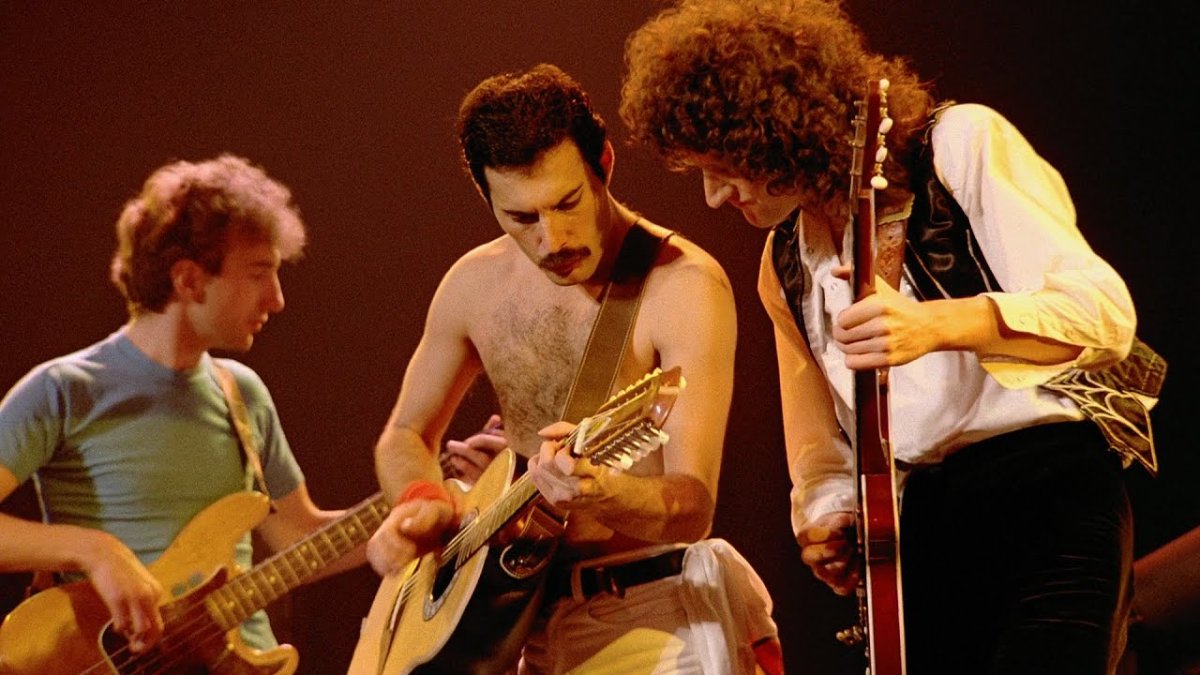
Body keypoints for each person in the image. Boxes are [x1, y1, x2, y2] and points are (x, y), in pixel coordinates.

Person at [620, 1, 1165, 673]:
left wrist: (935, 324)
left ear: (773, 131)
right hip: (923, 520)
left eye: (722, 165)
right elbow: (817, 446)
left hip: (1046, 488)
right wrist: (828, 515)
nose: (711, 196)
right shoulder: (784, 262)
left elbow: (1102, 312)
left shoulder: (959, 143)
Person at [365, 63, 781, 674]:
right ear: (487, 199)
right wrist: (422, 503)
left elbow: (693, 506)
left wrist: (599, 492)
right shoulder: (472, 285)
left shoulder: (683, 284)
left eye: (567, 203)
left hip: (648, 612)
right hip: (523, 625)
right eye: (522, 218)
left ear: (604, 164)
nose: (553, 238)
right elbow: (405, 434)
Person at [0, 154, 366, 659]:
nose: (277, 299)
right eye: (259, 273)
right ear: (189, 281)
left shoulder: (243, 393)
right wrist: (93, 549)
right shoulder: (63, 389)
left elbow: (297, 535)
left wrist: (422, 500)